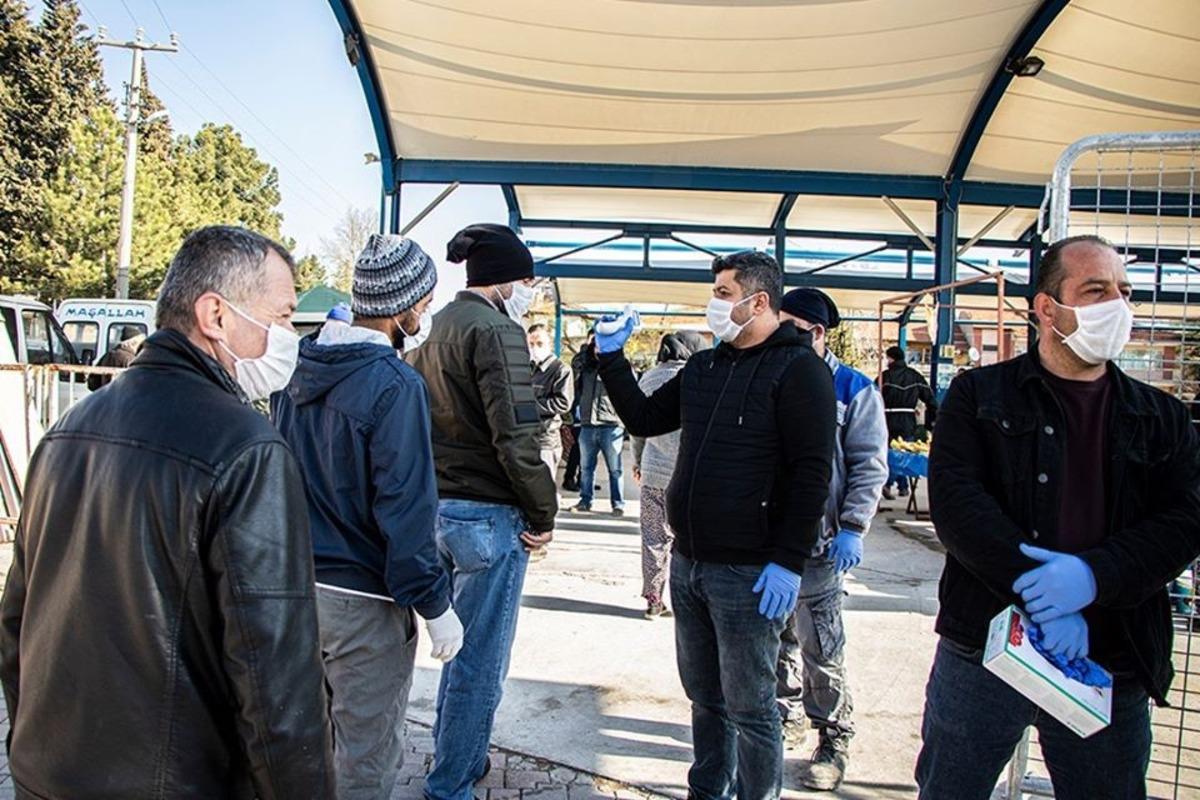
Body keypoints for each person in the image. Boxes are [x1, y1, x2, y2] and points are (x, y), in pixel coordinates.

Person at [0, 226, 335, 799]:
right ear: (216, 315)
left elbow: (17, 624)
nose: (287, 337)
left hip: (45, 773)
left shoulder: (67, 431)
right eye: (280, 317)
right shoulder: (246, 447)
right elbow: (275, 679)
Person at [916, 235, 1200, 800]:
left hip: (1107, 655)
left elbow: (1187, 517)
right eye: (1095, 290)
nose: (1115, 305)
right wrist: (1036, 589)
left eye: (1123, 292)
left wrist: (1094, 577)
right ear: (1047, 308)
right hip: (986, 646)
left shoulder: (1161, 416)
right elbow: (958, 503)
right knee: (950, 787)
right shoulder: (980, 395)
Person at [594, 250, 836, 800]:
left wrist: (787, 560)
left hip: (750, 574)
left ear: (759, 301)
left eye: (724, 293)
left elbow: (811, 473)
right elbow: (646, 418)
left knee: (751, 707)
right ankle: (708, 790)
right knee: (706, 698)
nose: (714, 304)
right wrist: (610, 359)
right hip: (690, 563)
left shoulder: (800, 371)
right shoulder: (704, 367)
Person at [272, 234, 462, 800]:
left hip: (292, 590)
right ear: (401, 307)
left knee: (305, 746)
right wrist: (434, 604)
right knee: (365, 758)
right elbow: (404, 509)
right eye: (423, 304)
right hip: (366, 602)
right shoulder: (395, 384)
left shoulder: (292, 370)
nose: (424, 313)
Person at [407, 223, 558, 800]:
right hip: (489, 517)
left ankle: (457, 762)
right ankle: (450, 783)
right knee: (478, 662)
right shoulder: (499, 330)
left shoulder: (439, 323)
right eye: (527, 280)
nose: (530, 291)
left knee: (458, 653)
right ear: (505, 282)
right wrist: (543, 514)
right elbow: (516, 437)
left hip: (439, 509)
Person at [774, 288, 888, 791]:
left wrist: (853, 526)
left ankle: (833, 735)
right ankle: (785, 713)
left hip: (822, 546)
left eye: (792, 326)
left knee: (822, 643)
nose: (781, 333)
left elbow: (868, 464)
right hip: (771, 542)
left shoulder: (854, 389)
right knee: (775, 638)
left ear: (818, 333)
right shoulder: (771, 373)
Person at [631, 330, 709, 620]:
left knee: (653, 537)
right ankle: (687, 601)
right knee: (687, 540)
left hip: (653, 472)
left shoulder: (648, 377)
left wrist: (638, 461)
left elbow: (637, 425)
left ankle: (653, 599)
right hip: (688, 476)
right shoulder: (698, 378)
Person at [570, 330, 627, 516]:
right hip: (588, 424)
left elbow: (628, 395)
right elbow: (575, 363)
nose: (598, 348)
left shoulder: (619, 367)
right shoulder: (587, 367)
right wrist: (587, 344)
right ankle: (585, 500)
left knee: (615, 469)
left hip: (611, 425)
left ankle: (618, 504)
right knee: (586, 467)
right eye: (596, 344)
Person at [880, 345, 937, 499]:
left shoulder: (884, 377)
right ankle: (903, 486)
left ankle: (888, 483)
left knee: (890, 455)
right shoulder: (915, 376)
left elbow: (873, 397)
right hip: (907, 420)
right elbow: (930, 399)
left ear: (891, 358)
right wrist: (930, 423)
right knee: (903, 454)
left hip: (887, 420)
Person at [528, 323, 574, 476]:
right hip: (527, 437)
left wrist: (530, 406)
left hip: (546, 439)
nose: (535, 348)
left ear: (550, 344)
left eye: (539, 343)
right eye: (531, 344)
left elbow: (563, 403)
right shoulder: (529, 368)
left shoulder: (561, 370)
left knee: (544, 488)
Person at [86, 324, 144, 391]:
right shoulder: (130, 359)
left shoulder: (108, 355)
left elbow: (92, 382)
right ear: (132, 343)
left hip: (106, 397)